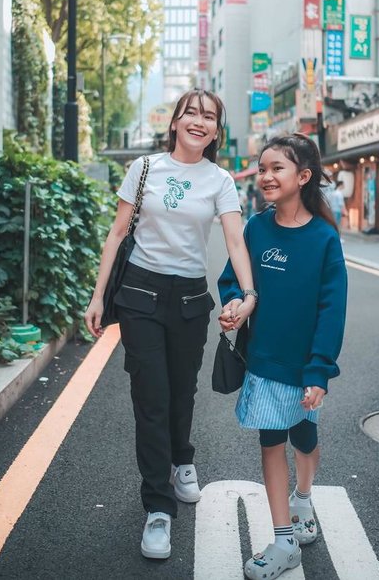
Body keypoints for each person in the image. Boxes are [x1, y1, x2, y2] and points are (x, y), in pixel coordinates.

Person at [84, 88, 256, 561]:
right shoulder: (144, 169)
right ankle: (158, 507)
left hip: (188, 297)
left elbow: (236, 242)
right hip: (139, 293)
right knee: (151, 398)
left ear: (216, 130)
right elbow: (117, 234)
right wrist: (99, 297)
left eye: (210, 117)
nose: (199, 122)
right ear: (176, 120)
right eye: (192, 113)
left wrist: (249, 293)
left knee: (182, 391)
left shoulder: (220, 179)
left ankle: (183, 459)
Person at [218, 133, 348, 580]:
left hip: (306, 365)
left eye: (278, 168)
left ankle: (304, 498)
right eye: (263, 167)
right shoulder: (256, 227)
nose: (266, 175)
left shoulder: (325, 238)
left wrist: (318, 372)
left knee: (305, 440)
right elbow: (233, 278)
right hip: (265, 361)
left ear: (303, 176)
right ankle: (284, 540)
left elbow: (332, 312)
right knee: (270, 442)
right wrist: (234, 303)